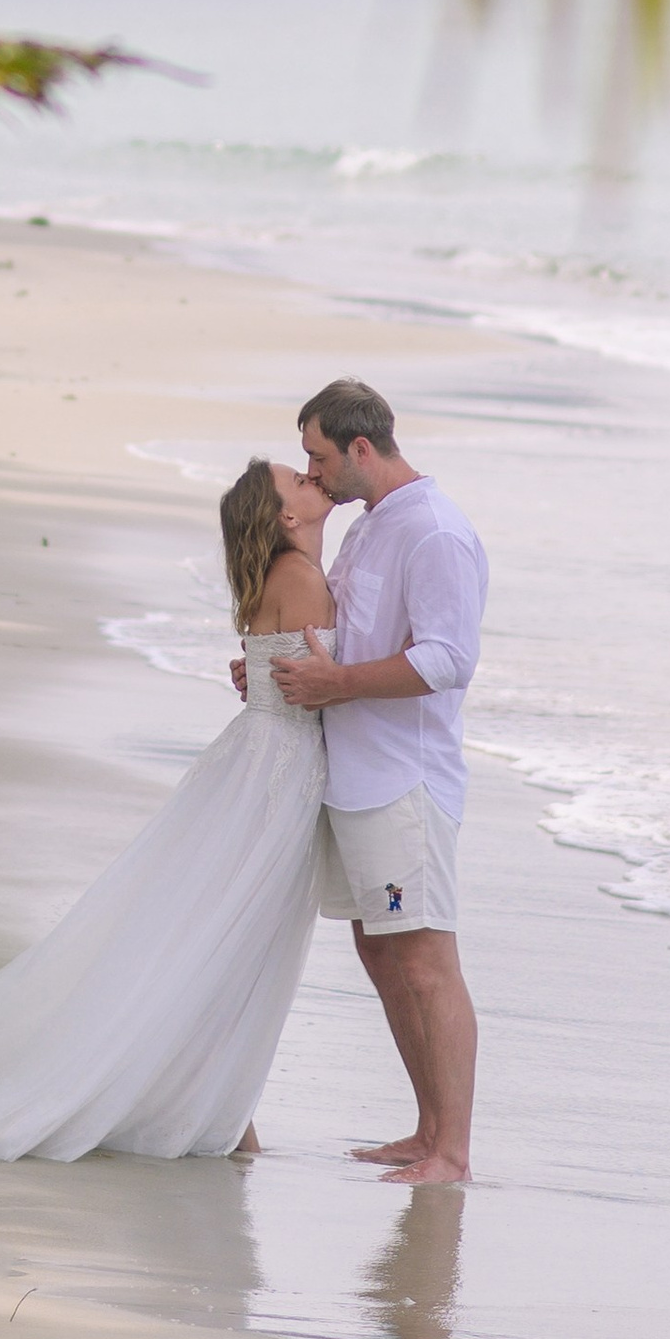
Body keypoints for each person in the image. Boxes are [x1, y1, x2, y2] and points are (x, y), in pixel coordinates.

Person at [0, 458, 334, 1161]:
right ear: (287, 517)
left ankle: (221, 1107)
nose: (309, 476)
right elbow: (324, 688)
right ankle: (213, 1110)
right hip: (278, 775)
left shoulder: (283, 576)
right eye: (297, 476)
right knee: (233, 942)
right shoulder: (304, 578)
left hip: (253, 764)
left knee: (217, 937)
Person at [269, 377, 488, 1186]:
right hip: (353, 777)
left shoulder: (433, 533)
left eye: (320, 457)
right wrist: (280, 675)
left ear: (363, 448)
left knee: (426, 961)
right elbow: (344, 638)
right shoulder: (370, 525)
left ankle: (452, 1153)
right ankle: (425, 1129)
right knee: (381, 952)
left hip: (406, 783)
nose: (314, 473)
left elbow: (448, 659)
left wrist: (340, 685)